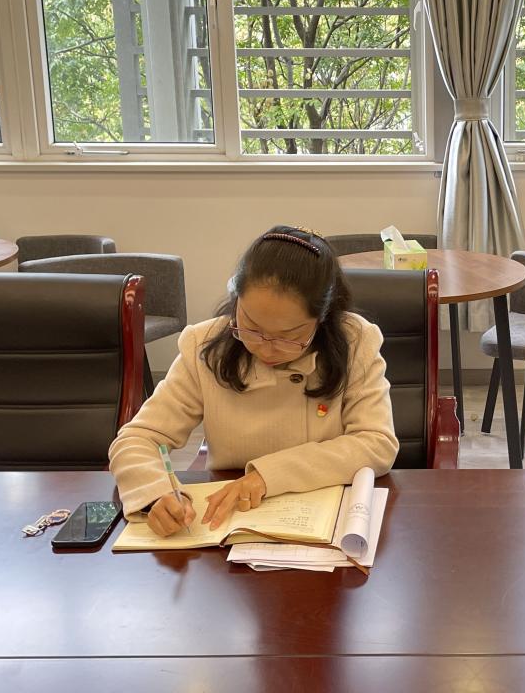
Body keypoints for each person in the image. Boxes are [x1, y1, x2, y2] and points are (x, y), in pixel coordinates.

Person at [109, 225, 398, 536]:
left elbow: (376, 442)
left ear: (323, 318)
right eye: (251, 326)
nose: (265, 348)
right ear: (236, 299)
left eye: (289, 336)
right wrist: (156, 493)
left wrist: (267, 476)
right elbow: (137, 439)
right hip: (228, 528)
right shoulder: (203, 346)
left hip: (323, 519)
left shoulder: (355, 341)